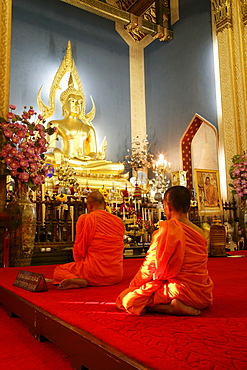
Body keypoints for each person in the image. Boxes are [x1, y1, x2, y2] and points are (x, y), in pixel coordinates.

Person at [116, 185, 213, 316]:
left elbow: (149, 268)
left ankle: (169, 308)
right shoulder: (200, 232)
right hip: (202, 294)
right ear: (188, 207)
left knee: (127, 299)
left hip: (178, 291)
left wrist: (134, 286)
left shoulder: (164, 232)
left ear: (167, 206)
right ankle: (178, 305)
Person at [52, 190, 125, 289]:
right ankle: (80, 278)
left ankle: (78, 279)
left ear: (89, 205)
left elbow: (79, 250)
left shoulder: (86, 219)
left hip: (93, 274)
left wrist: (80, 264)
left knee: (59, 271)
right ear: (104, 204)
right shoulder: (118, 221)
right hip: (115, 275)